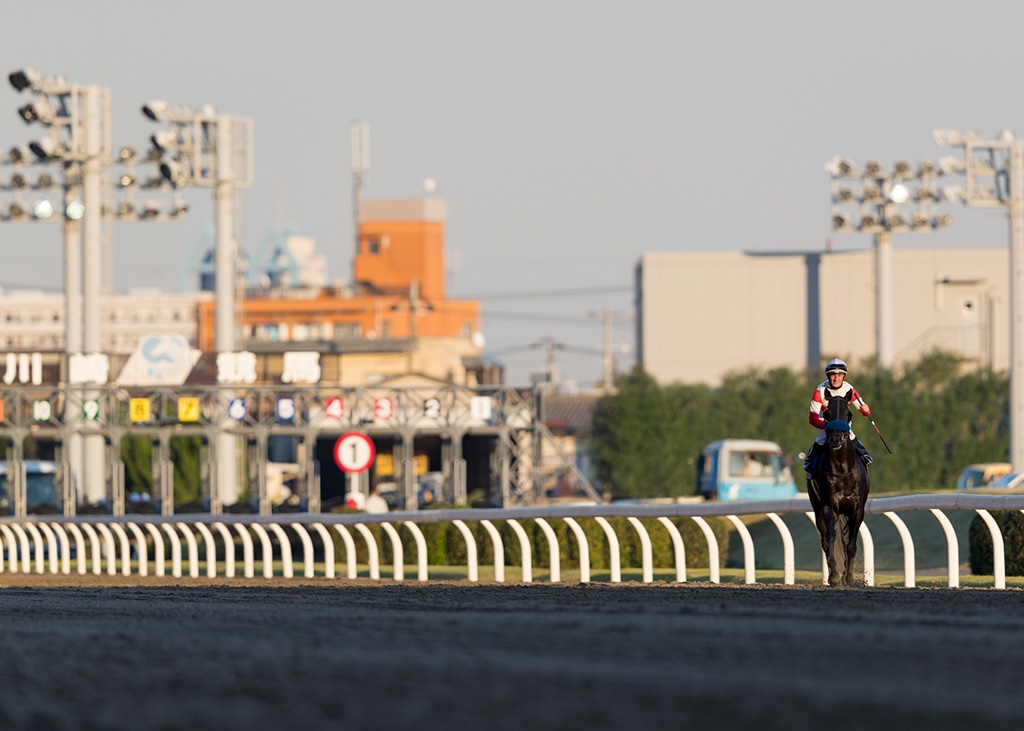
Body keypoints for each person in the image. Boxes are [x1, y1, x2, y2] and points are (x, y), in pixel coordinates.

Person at [804, 358, 873, 477]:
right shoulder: (820, 391)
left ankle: (864, 464)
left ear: (844, 376)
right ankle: (810, 466)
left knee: (858, 446)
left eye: (839, 375)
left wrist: (866, 410)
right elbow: (812, 418)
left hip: (844, 428)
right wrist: (827, 425)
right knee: (819, 443)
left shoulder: (849, 389)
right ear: (828, 376)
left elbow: (864, 412)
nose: (836, 378)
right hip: (826, 428)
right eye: (833, 375)